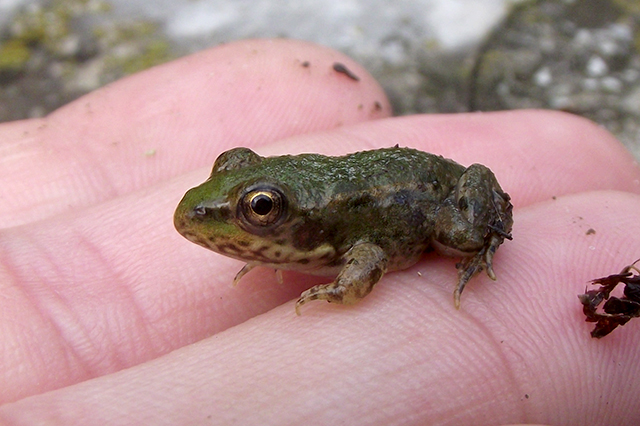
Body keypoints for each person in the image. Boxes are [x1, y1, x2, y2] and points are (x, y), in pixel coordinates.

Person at [0, 39, 638, 425]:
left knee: (459, 236)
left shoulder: (346, 240)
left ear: (296, 222)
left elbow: (363, 267)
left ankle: (488, 238)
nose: (233, 213)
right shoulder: (305, 225)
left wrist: (337, 291)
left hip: (428, 190)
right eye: (248, 194)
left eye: (257, 208)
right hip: (378, 176)